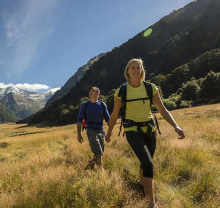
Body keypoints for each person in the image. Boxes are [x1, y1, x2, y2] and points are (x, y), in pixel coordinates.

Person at [105, 59, 185, 207]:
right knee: (148, 164)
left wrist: (176, 126)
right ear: (127, 71)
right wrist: (109, 132)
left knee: (146, 162)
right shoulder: (121, 91)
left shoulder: (150, 88)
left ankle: (142, 182)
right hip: (131, 130)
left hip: (150, 129)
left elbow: (162, 109)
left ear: (142, 70)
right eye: (132, 68)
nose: (136, 70)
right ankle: (151, 203)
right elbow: (115, 114)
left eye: (138, 67)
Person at [77, 86, 110, 171]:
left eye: (93, 91)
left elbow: (108, 119)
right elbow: (79, 120)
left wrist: (109, 132)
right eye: (90, 91)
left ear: (98, 93)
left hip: (101, 130)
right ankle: (101, 173)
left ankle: (91, 162)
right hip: (91, 130)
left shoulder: (102, 105)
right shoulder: (84, 105)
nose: (90, 92)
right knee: (98, 152)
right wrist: (79, 134)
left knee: (100, 152)